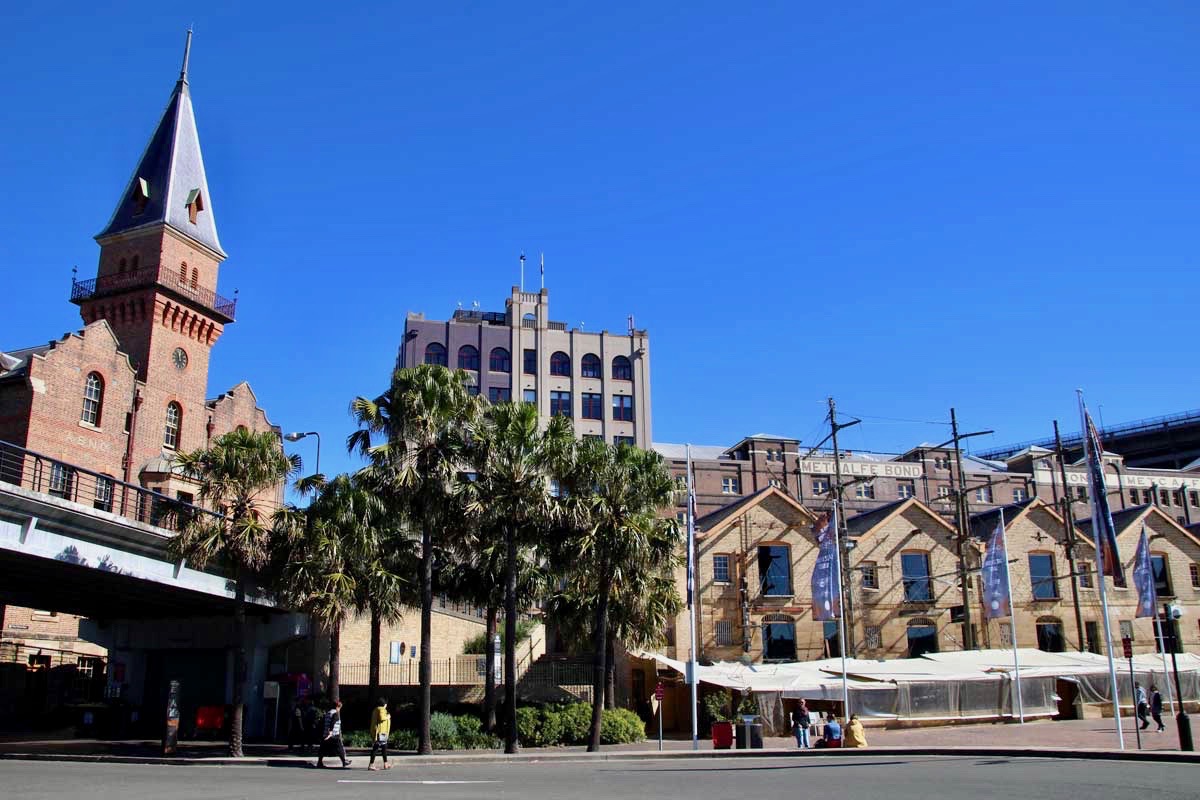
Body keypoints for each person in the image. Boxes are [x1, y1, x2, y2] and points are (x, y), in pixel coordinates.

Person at [317, 699, 351, 769]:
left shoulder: (328, 713)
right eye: (340, 708)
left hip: (325, 734)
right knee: (340, 748)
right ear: (337, 707)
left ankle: (319, 762)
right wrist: (331, 732)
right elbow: (332, 723)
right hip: (334, 735)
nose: (340, 709)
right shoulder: (335, 714)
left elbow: (323, 723)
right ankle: (344, 761)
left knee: (323, 748)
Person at [368, 696, 392, 771]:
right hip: (381, 732)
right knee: (376, 747)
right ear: (384, 703)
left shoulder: (376, 709)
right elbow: (382, 718)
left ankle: (386, 763)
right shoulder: (381, 709)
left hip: (381, 732)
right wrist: (388, 716)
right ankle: (371, 764)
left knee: (384, 747)